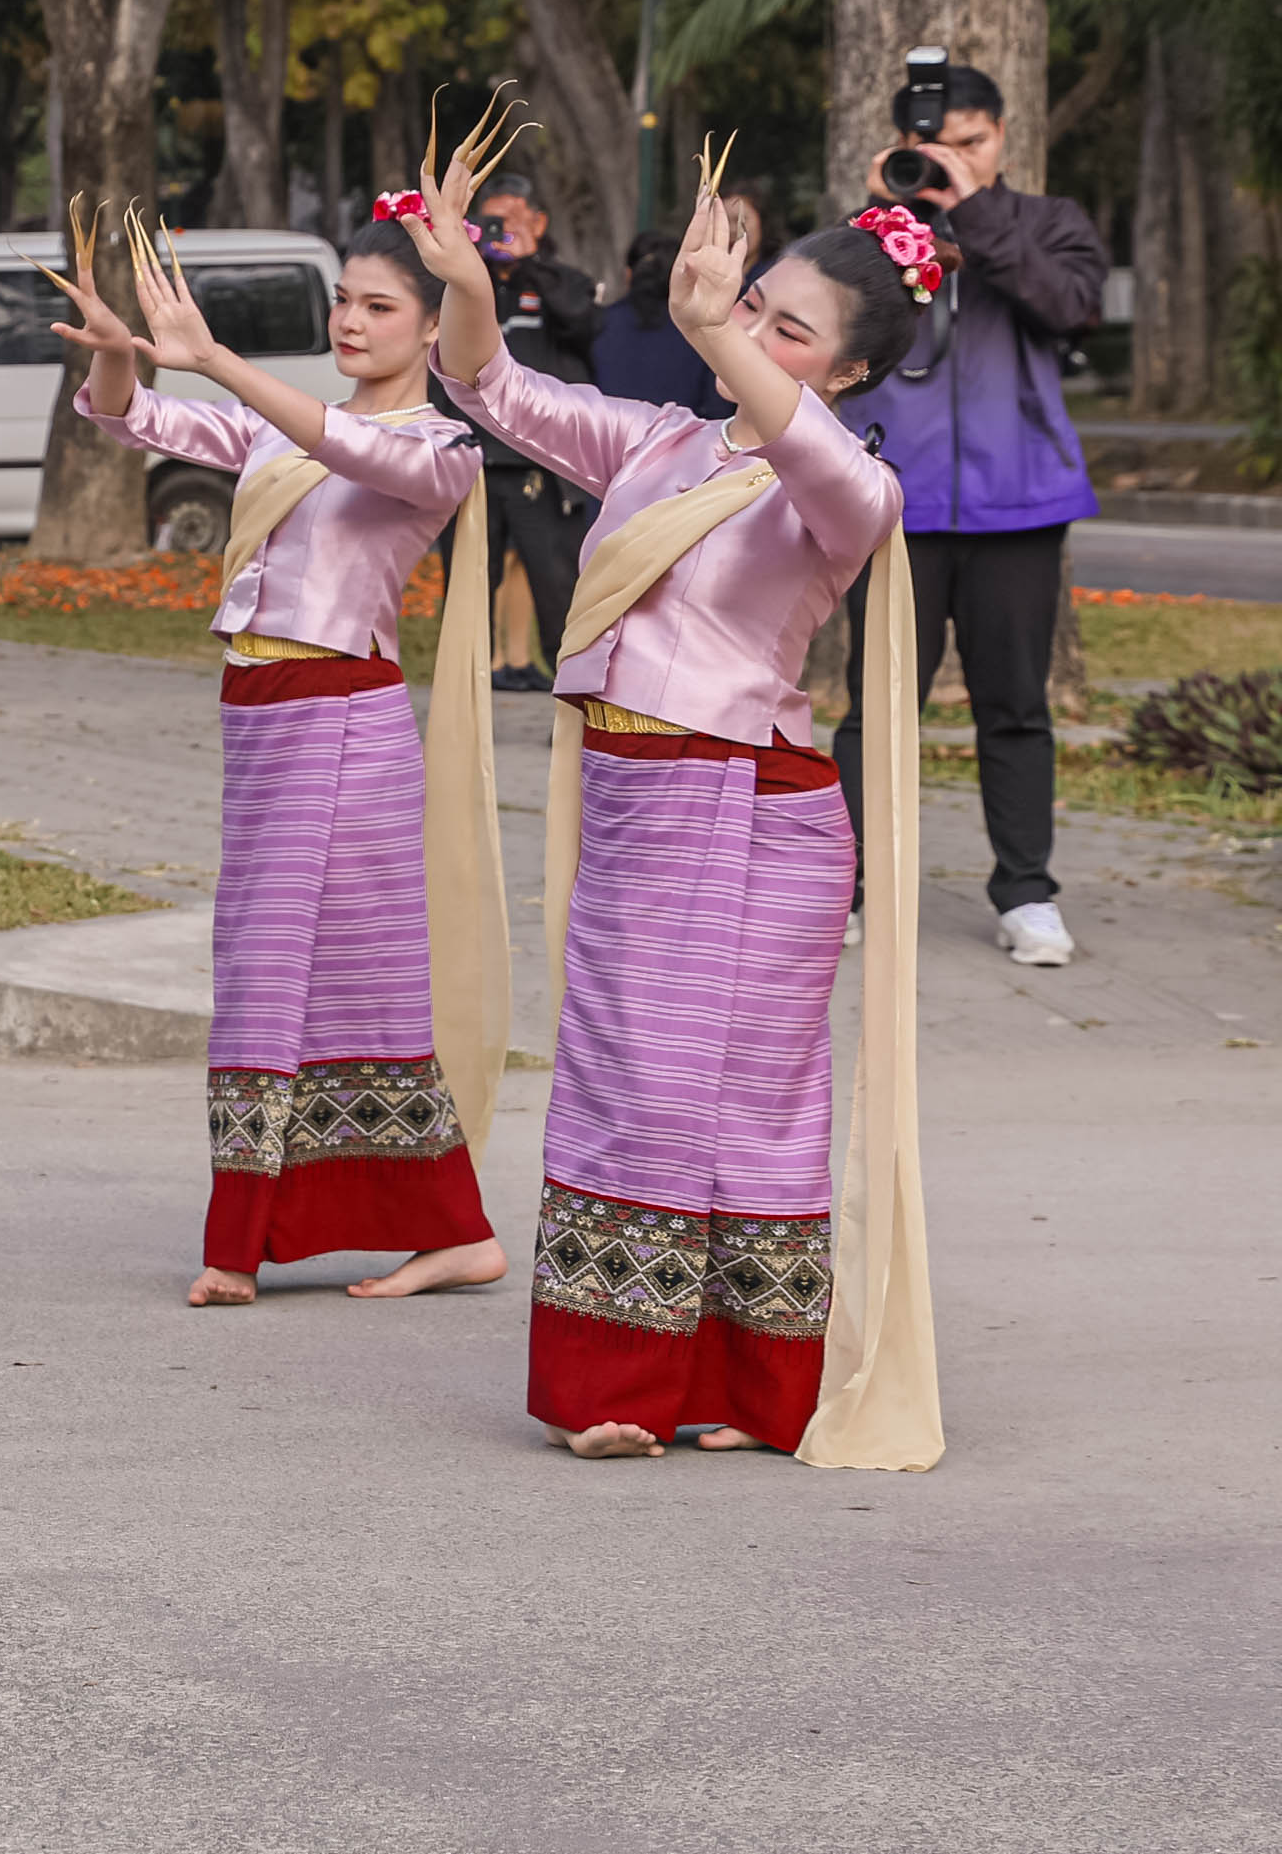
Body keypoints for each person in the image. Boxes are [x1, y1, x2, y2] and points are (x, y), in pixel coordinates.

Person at [421, 134, 938, 1467]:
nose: (751, 333)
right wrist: (465, 277)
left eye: (790, 331)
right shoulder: (660, 441)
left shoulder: (849, 484)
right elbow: (490, 388)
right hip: (640, 797)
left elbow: (820, 466)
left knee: (734, 1098)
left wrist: (713, 330)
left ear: (852, 372)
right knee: (624, 1080)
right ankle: (637, 1380)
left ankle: (741, 1390)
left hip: (753, 805)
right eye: (752, 305)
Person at [53, 195, 510, 1308]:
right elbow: (138, 421)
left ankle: (248, 1244)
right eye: (343, 300)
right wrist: (118, 354)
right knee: (322, 980)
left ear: (435, 322)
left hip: (343, 718)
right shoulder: (288, 422)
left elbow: (341, 445)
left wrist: (215, 357)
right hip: (262, 716)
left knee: (302, 978)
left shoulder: (441, 447)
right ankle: (450, 1231)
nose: (350, 320)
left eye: (380, 306)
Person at [833, 60, 1109, 970]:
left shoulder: (1047, 221)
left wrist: (976, 212)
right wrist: (880, 225)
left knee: (1016, 706)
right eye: (935, 147)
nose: (952, 160)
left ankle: (1027, 893)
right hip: (892, 503)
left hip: (1019, 503)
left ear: (1001, 138)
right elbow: (810, 326)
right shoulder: (873, 231)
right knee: (877, 706)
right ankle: (845, 887)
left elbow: (1072, 308)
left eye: (972, 143)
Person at [439, 170, 602, 688]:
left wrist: (530, 263)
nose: (501, 231)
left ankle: (576, 695)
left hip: (541, 463)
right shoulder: (463, 283)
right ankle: (464, 695)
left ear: (539, 222)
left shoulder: (562, 281)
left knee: (558, 588)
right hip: (472, 460)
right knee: (467, 588)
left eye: (512, 220)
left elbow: (584, 325)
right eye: (492, 221)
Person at [588, 229, 736, 419]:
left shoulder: (596, 324)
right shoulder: (703, 333)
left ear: (628, 274)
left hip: (605, 433)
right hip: (681, 435)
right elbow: (718, 411)